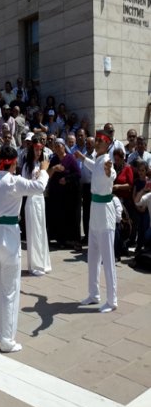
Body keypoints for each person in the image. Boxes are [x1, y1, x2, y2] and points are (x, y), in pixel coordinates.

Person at [0, 145, 49, 352]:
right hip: (10, 240)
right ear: (13, 162)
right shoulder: (15, 182)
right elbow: (39, 187)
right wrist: (45, 169)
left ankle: (0, 331)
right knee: (10, 291)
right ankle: (7, 339)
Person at [75, 130, 118, 313]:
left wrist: (110, 172)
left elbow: (110, 173)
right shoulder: (99, 159)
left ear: (107, 144)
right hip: (94, 210)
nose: (97, 142)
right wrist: (83, 158)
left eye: (100, 140)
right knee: (92, 256)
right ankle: (94, 293)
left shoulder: (107, 161)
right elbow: (95, 167)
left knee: (107, 259)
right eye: (97, 139)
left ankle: (112, 300)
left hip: (104, 211)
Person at [22, 137, 51, 276]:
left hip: (41, 199)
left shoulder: (42, 164)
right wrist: (36, 178)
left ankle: (43, 263)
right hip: (32, 199)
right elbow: (24, 185)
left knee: (41, 231)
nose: (38, 152)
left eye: (40, 149)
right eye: (36, 149)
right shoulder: (27, 166)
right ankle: (35, 265)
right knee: (33, 232)